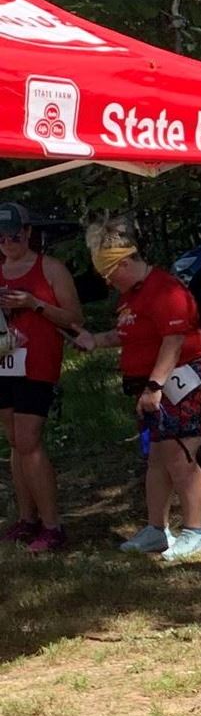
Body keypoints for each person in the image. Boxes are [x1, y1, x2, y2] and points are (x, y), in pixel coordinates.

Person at [71, 213, 201, 561]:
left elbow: (173, 340)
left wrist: (155, 386)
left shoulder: (165, 290)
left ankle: (196, 531)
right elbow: (128, 334)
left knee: (180, 457)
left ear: (123, 263)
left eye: (108, 274)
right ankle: (156, 528)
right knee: (156, 458)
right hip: (151, 387)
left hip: (179, 382)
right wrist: (95, 340)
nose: (108, 283)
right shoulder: (131, 296)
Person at [0, 202, 83, 555]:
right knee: (15, 442)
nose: (7, 243)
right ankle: (27, 518)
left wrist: (34, 303)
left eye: (14, 236)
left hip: (38, 363)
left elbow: (74, 319)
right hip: (3, 361)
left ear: (29, 232)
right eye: (0, 238)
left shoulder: (50, 268)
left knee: (30, 440)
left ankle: (52, 525)